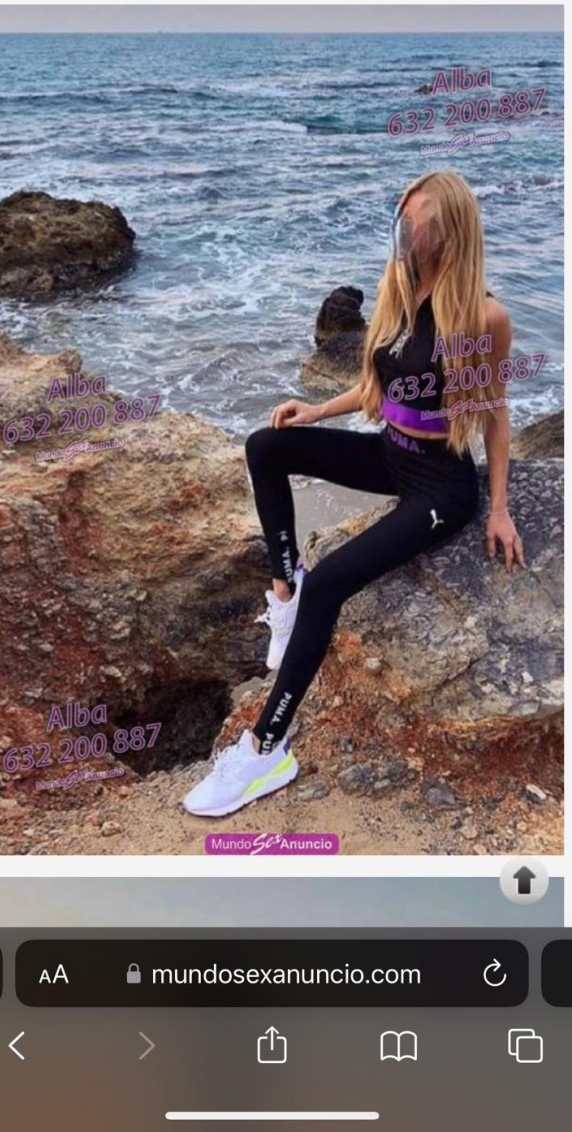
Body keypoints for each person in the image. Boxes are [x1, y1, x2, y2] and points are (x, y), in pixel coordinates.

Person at [183, 170, 525, 817]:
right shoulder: (399, 284)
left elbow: (496, 414)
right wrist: (315, 410)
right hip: (389, 453)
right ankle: (284, 595)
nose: (403, 230)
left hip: (440, 485)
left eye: (414, 220)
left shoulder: (484, 317)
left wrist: (500, 507)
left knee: (331, 582)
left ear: (448, 233)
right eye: (402, 215)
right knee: (266, 446)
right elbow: (378, 387)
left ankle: (265, 749)